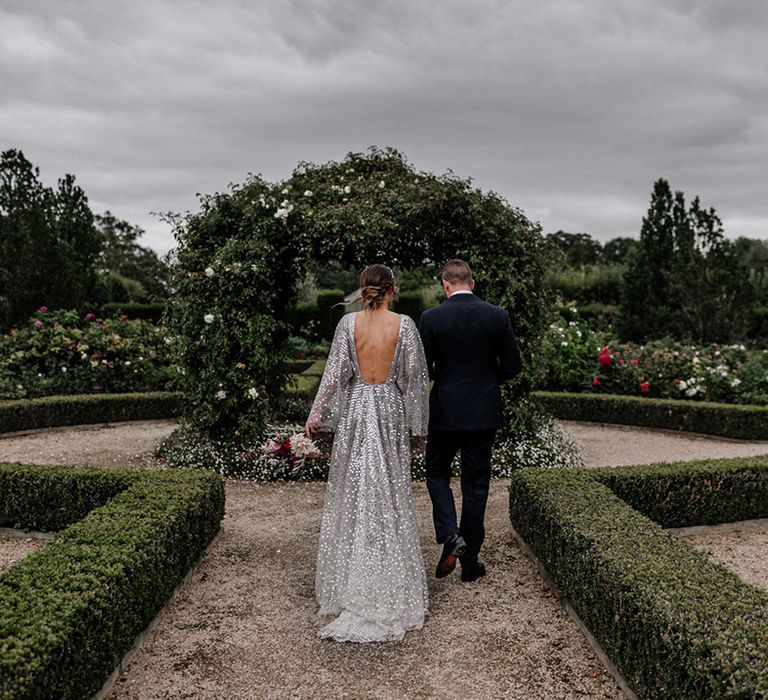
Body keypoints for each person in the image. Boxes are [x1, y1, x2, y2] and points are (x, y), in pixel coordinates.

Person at [305, 264, 429, 643]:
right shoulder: (405, 325)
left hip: (358, 409)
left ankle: (352, 582)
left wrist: (315, 416)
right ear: (392, 289)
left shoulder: (347, 325)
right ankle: (388, 576)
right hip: (389, 410)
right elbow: (416, 382)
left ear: (363, 289)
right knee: (390, 491)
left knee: (354, 490)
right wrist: (418, 429)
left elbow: (334, 376)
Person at [419, 259, 522, 582]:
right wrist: (487, 381)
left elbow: (423, 369)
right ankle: (471, 564)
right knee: (476, 485)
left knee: (436, 472)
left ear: (445, 284)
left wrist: (445, 378)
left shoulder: (432, 317)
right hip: (482, 412)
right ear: (472, 283)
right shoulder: (497, 315)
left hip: (446, 410)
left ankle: (451, 534)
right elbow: (512, 364)